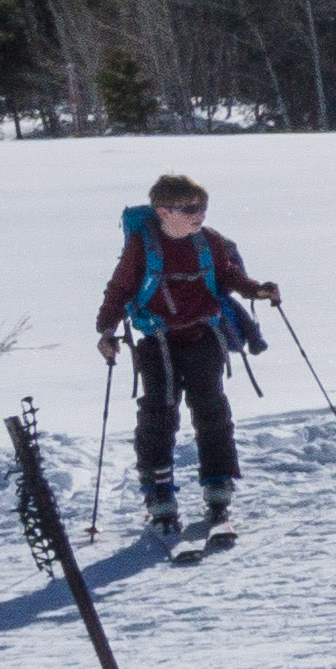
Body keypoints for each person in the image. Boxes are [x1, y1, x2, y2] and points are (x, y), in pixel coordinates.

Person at [96, 171, 282, 530]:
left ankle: (218, 485)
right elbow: (118, 289)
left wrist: (256, 289)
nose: (200, 214)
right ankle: (158, 490)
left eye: (203, 206)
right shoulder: (142, 245)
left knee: (212, 410)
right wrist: (107, 330)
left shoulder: (208, 240)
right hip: (158, 342)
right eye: (190, 208)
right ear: (163, 211)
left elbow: (228, 275)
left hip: (203, 336)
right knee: (159, 414)